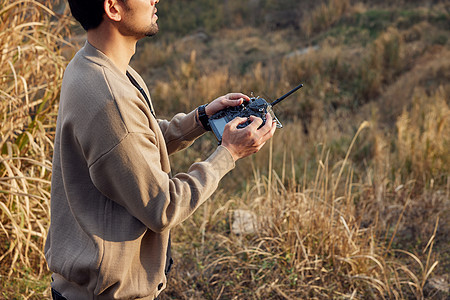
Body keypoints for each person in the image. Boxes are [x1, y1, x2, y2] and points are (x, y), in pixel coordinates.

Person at [44, 0, 276, 299]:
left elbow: (132, 145)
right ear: (113, 8)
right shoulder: (110, 97)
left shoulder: (90, 65)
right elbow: (163, 206)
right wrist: (228, 154)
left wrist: (201, 119)